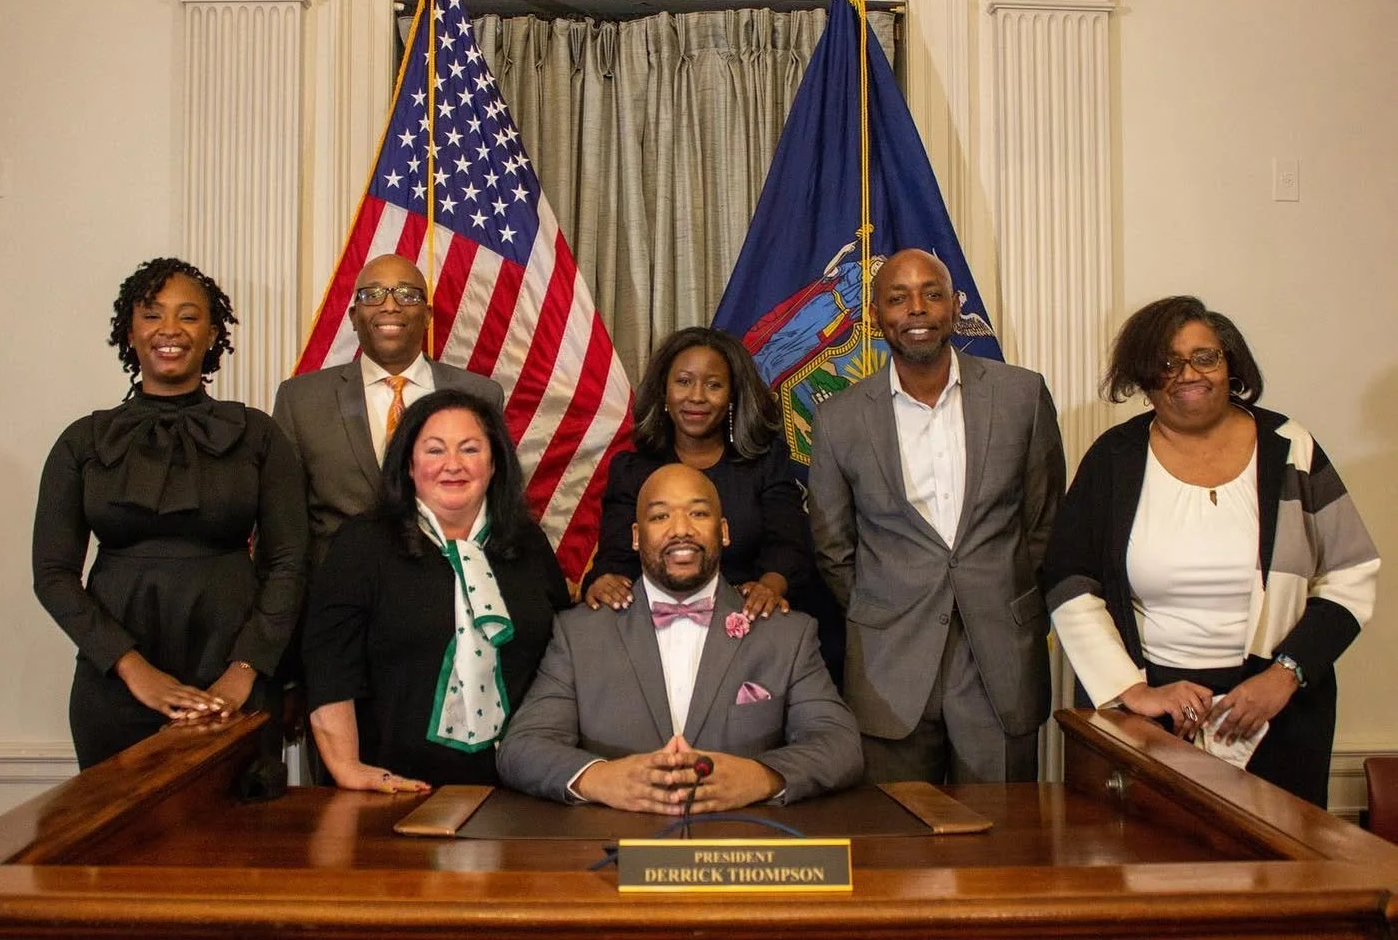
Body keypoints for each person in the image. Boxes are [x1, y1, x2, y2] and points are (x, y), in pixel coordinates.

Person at [1042, 296, 1379, 807]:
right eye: (1167, 363)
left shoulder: (1290, 447)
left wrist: (1285, 675)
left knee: (1279, 874)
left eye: (1205, 357)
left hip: (1279, 716)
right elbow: (1069, 578)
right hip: (1153, 721)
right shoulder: (1115, 458)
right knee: (1152, 874)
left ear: (1230, 364)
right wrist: (1132, 691)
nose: (1188, 374)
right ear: (1143, 378)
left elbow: (1351, 572)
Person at [32, 257, 308, 769]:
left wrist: (245, 669)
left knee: (240, 840)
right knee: (117, 836)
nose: (170, 330)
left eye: (188, 315)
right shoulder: (82, 441)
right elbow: (52, 574)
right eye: (152, 315)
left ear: (212, 334)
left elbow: (289, 561)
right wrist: (133, 669)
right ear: (130, 332)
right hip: (115, 683)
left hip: (234, 672)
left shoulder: (259, 435)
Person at [808, 248, 1066, 784]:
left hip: (1000, 658)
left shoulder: (1021, 395)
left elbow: (1043, 521)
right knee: (899, 846)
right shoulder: (838, 419)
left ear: (954, 305)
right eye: (898, 298)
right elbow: (834, 547)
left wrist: (1001, 589)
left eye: (932, 294)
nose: (917, 309)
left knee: (1003, 849)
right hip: (889, 664)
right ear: (876, 315)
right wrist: (885, 604)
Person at [498, 463, 862, 813]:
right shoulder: (579, 634)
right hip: (612, 858)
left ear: (724, 531)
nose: (680, 529)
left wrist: (761, 777)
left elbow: (841, 745)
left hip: (744, 852)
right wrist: (600, 778)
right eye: (660, 516)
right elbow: (522, 747)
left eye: (698, 514)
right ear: (637, 538)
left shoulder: (786, 634)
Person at [303, 389, 568, 792]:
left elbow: (560, 658)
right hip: (394, 787)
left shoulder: (528, 543)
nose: (453, 465)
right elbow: (329, 667)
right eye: (434, 450)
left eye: (470, 449)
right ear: (409, 465)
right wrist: (347, 767)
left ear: (494, 463)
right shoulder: (363, 544)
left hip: (518, 787)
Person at [583, 327, 828, 648]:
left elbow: (789, 546)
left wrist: (768, 587)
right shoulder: (632, 470)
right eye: (683, 382)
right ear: (664, 392)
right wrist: (606, 582)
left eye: (713, 385)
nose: (697, 396)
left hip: (750, 623)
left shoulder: (765, 462)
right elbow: (616, 558)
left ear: (731, 397)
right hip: (656, 630)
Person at [271, 253, 503, 569]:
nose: (390, 305)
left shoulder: (479, 395)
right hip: (339, 592)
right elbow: (283, 528)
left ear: (428, 315)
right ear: (353, 316)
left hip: (448, 590)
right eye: (372, 295)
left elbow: (501, 506)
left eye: (407, 294)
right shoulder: (301, 400)